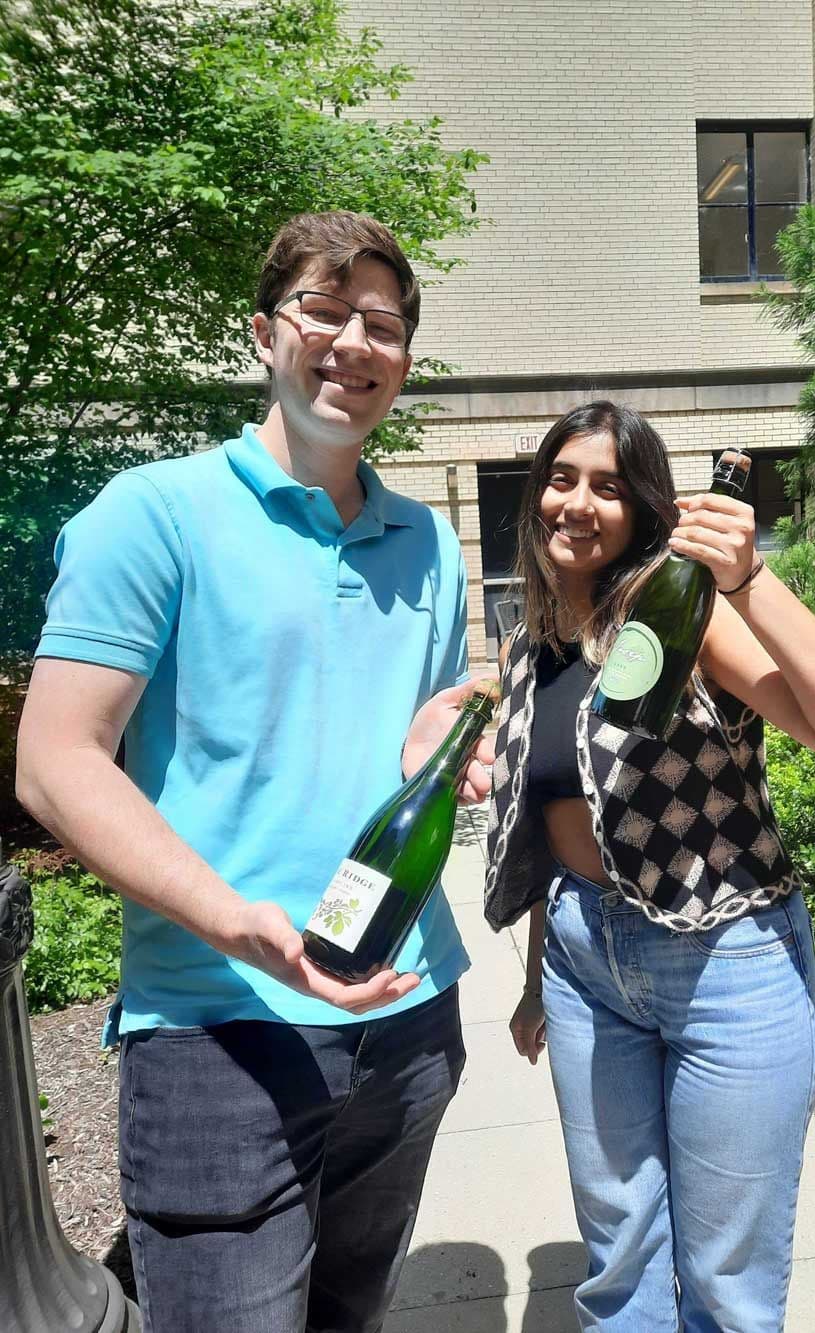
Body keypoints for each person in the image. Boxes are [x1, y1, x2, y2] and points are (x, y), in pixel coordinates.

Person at [16, 210, 494, 1333]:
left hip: (409, 1019)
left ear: (406, 361)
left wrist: (425, 748)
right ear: (264, 335)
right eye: (322, 312)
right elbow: (53, 762)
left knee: (349, 1316)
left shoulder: (428, 542)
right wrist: (240, 925)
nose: (353, 343)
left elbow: (384, 755)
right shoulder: (153, 515)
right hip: (218, 1034)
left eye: (381, 322)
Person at [485, 400, 815, 1333]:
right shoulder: (528, 646)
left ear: (645, 508)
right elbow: (553, 828)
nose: (577, 503)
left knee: (726, 1283)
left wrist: (748, 579)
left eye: (607, 485)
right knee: (618, 1263)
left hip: (730, 965)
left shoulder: (687, 617)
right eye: (562, 478)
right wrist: (534, 982)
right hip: (585, 972)